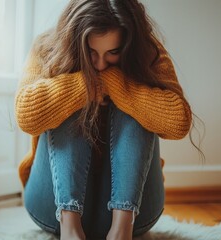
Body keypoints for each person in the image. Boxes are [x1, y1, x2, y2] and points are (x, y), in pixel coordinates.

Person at [15, 0, 192, 239]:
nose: (99, 64)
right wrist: (85, 85)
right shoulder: (48, 46)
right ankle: (70, 228)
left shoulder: (147, 50)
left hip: (135, 211)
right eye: (91, 52)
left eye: (113, 52)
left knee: (140, 104)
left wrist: (113, 83)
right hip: (53, 207)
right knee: (67, 99)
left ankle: (121, 229)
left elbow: (179, 122)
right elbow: (26, 116)